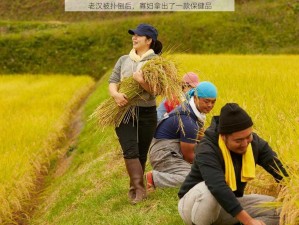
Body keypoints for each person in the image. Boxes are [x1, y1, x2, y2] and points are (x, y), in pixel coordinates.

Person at [178, 103, 288, 225]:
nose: (245, 143)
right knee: (208, 191)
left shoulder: (254, 143)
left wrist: (293, 192)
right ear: (223, 137)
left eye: (248, 136)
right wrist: (249, 221)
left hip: (227, 204)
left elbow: (280, 170)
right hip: (194, 206)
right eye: (238, 140)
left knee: (277, 209)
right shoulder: (207, 149)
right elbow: (217, 187)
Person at [108, 23, 163, 204]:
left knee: (141, 152)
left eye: (139, 36)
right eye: (134, 35)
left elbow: (156, 91)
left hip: (147, 112)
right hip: (124, 110)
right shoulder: (124, 59)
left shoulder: (156, 63)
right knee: (130, 149)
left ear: (149, 41)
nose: (134, 38)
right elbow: (113, 81)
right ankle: (140, 191)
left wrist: (142, 82)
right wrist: (116, 94)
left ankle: (134, 188)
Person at [145, 81, 217, 189]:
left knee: (208, 151)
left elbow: (201, 138)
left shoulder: (192, 111)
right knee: (197, 178)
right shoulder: (188, 121)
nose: (210, 105)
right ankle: (153, 178)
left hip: (172, 149)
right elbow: (189, 157)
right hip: (163, 154)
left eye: (213, 102)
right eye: (206, 101)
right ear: (196, 98)